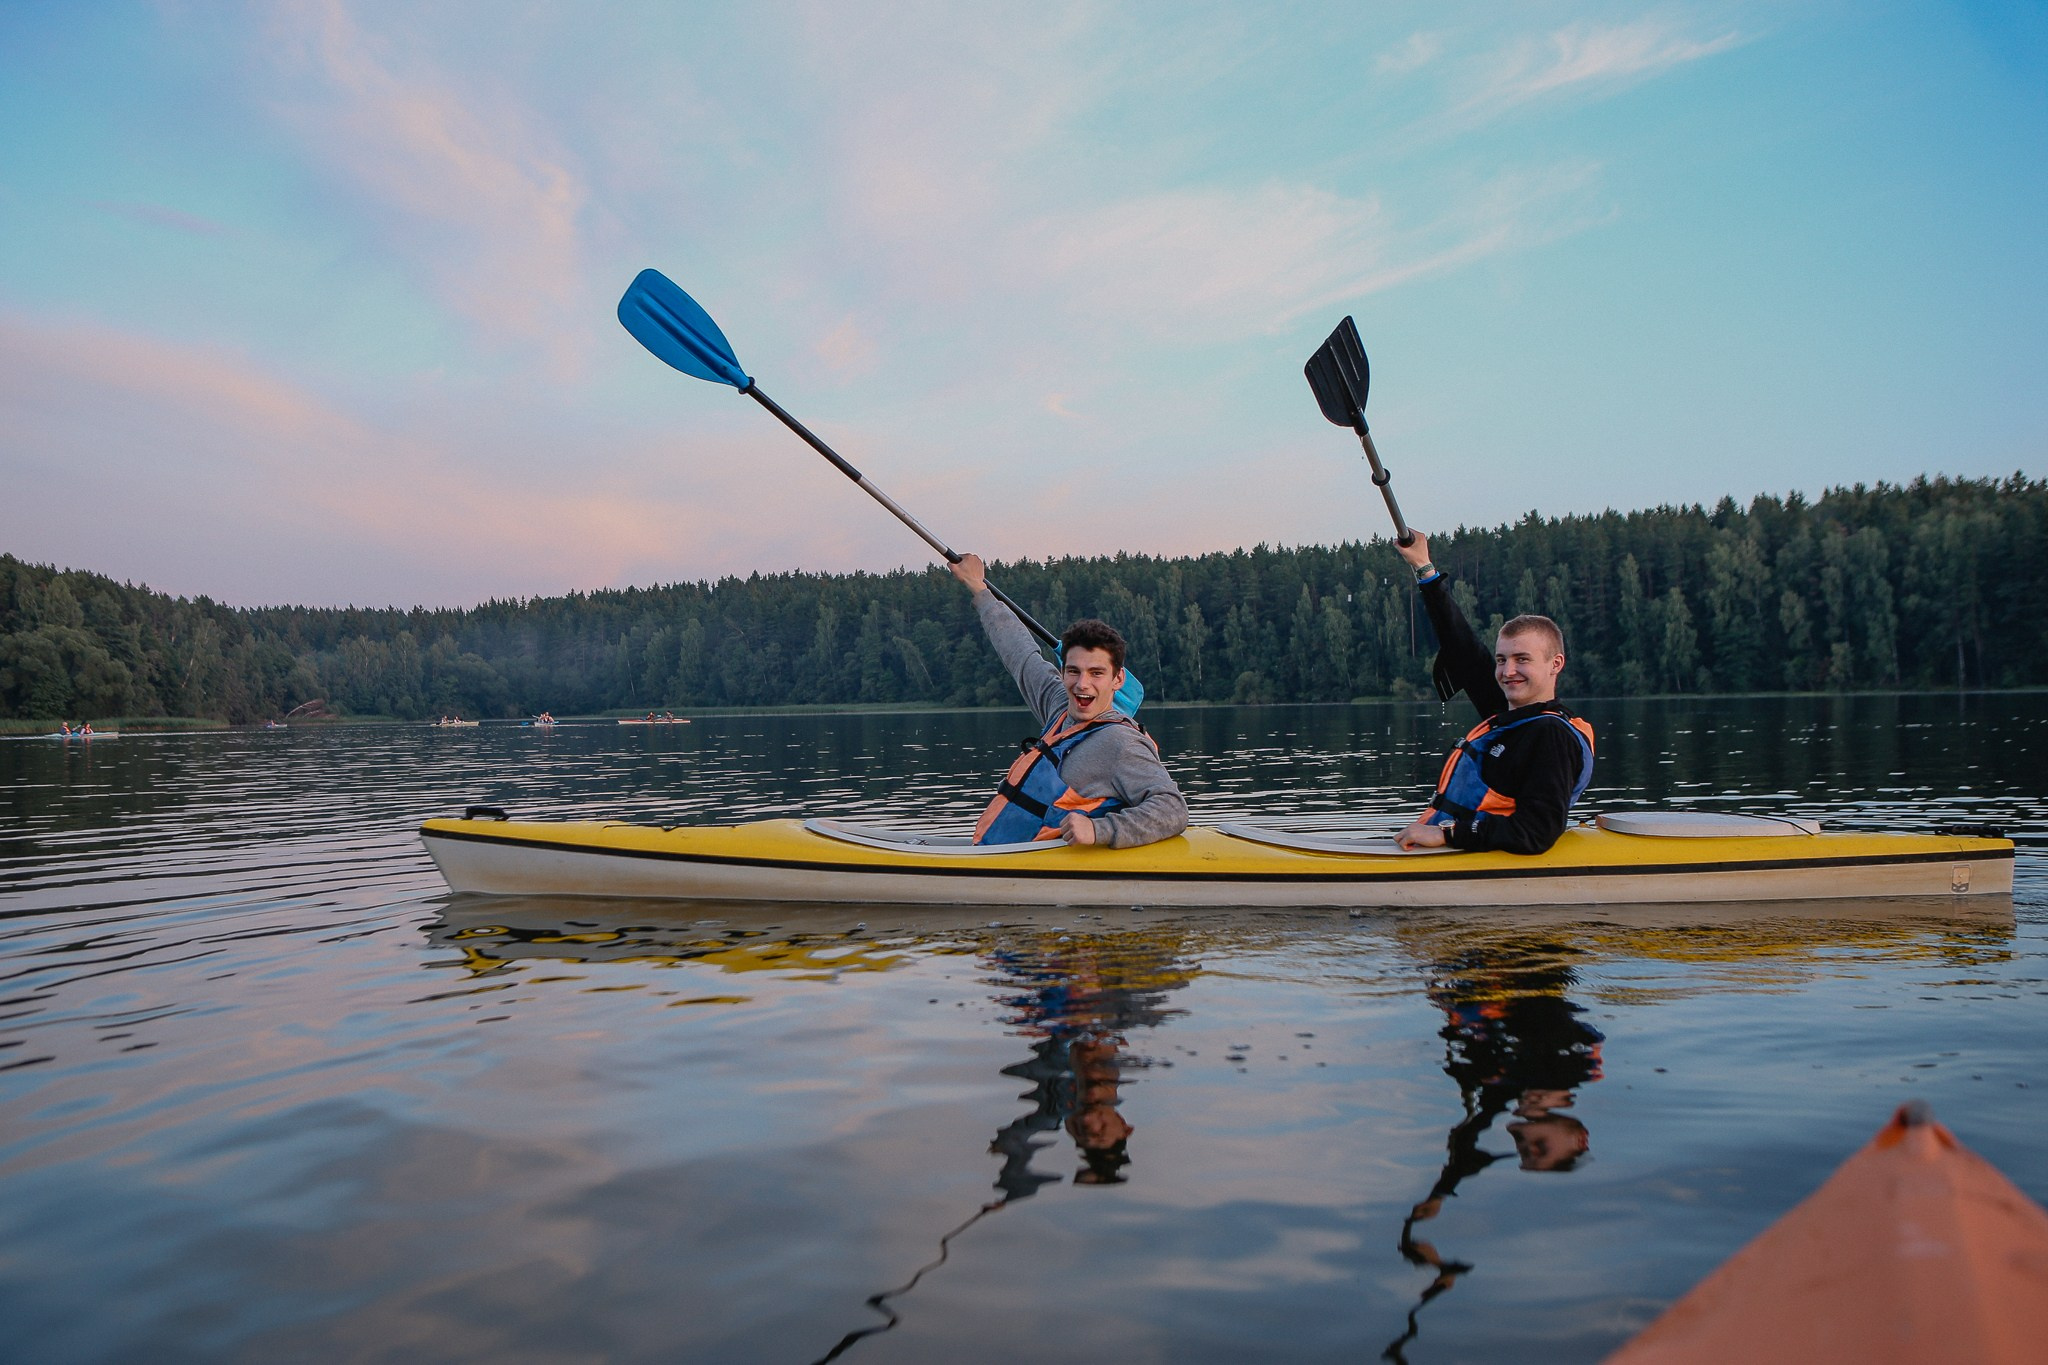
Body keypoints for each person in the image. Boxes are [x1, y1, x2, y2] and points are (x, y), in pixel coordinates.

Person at [949, 554, 1187, 848]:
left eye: (1096, 673)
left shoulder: (1121, 743)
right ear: (1062, 672)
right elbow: (1020, 655)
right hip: (1005, 857)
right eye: (1073, 671)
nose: (1081, 684)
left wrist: (1100, 830)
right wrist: (978, 588)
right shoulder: (1059, 707)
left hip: (1040, 871)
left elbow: (1173, 809)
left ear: (1118, 679)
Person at [1392, 532, 1595, 855]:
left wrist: (1448, 835)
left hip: (1471, 852)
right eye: (1502, 660)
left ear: (1555, 664)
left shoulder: (1550, 736)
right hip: (1453, 845)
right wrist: (1424, 568)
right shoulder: (1512, 717)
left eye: (1522, 659)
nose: (1507, 671)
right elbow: (1465, 650)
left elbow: (1538, 832)